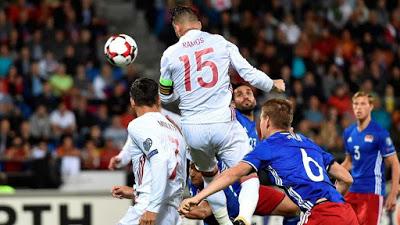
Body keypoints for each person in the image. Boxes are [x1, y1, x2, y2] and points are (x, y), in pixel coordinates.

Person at [159, 6, 285, 225]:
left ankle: (225, 223)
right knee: (248, 173)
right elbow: (248, 73)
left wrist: (182, 90)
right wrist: (272, 84)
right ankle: (244, 218)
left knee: (210, 178)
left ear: (177, 28)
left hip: (193, 129)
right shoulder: (220, 42)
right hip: (223, 124)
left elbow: (166, 96)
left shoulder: (169, 55)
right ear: (198, 24)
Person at [180, 99, 359, 225]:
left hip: (321, 216)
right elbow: (346, 178)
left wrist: (197, 197)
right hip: (346, 212)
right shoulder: (307, 142)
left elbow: (233, 173)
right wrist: (331, 202)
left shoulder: (268, 147)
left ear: (265, 121)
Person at [111, 78, 187, 225]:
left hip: (149, 209)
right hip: (171, 212)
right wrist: (135, 191)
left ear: (132, 101)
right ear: (158, 99)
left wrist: (152, 207)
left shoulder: (138, 125)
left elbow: (160, 160)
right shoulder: (176, 130)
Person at [233, 84, 300, 225]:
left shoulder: (256, 128)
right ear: (232, 103)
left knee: (293, 206)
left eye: (249, 93)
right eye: (239, 94)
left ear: (255, 100)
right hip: (232, 186)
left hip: (251, 186)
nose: (245, 96)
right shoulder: (233, 120)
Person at [341, 91, 399, 225]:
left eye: (363, 104)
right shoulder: (348, 132)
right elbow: (349, 162)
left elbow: (395, 163)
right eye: (355, 104)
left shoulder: (380, 133)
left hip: (372, 192)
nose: (358, 107)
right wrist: (331, 176)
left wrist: (393, 193)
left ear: (371, 106)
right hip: (352, 191)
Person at [185, 161, 299, 224]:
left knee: (293, 208)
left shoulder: (215, 173)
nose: (192, 173)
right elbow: (203, 211)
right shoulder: (193, 182)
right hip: (226, 217)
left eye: (196, 168)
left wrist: (173, 205)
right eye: (190, 168)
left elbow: (203, 211)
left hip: (242, 192)